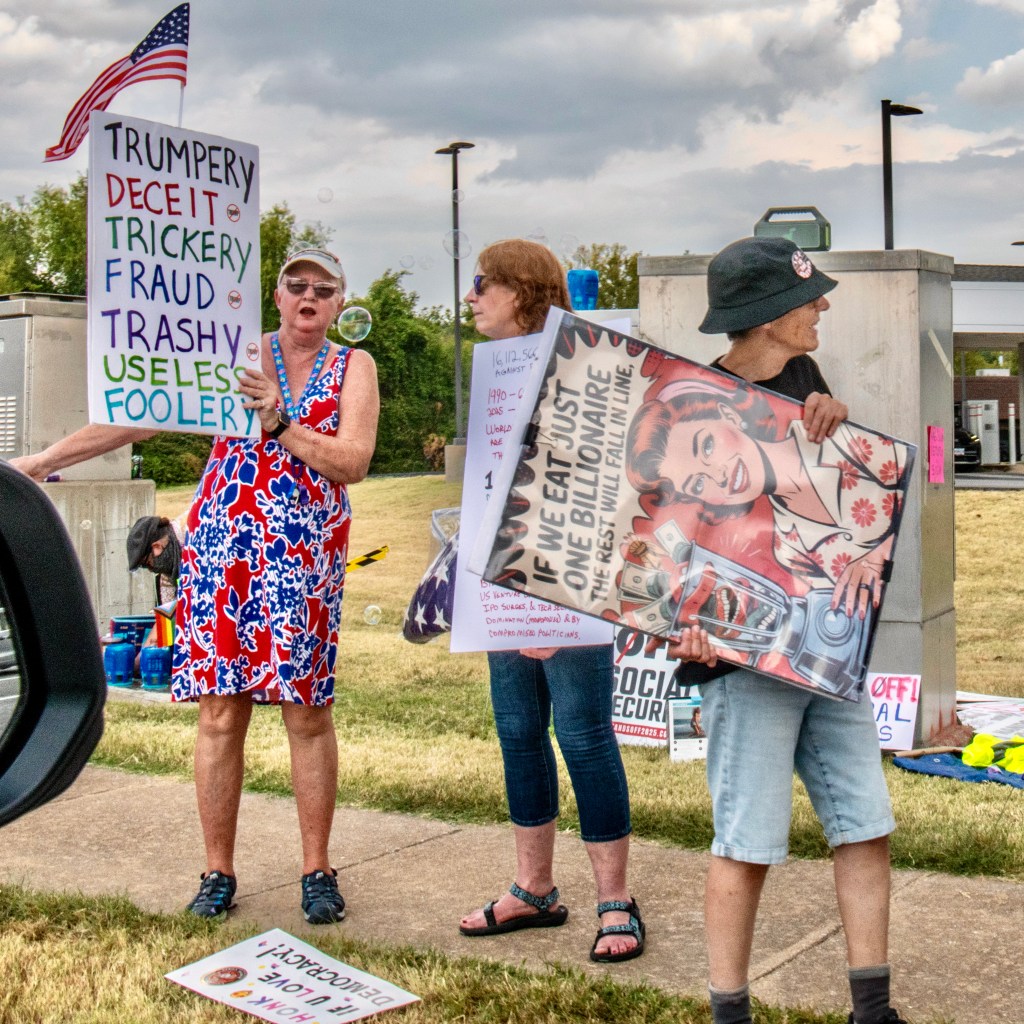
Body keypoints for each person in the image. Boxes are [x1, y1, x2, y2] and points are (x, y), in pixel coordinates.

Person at [11, 247, 379, 926]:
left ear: (336, 303)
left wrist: (278, 421)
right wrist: (44, 460)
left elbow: (351, 461)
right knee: (218, 715)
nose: (308, 297)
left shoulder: (354, 366)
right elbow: (144, 412)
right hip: (222, 552)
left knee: (306, 714)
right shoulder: (232, 352)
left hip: (303, 560)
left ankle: (316, 871)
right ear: (275, 295)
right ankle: (217, 871)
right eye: (296, 285)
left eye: (323, 289)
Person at [667, 237, 905, 1024]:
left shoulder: (803, 378)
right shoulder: (695, 403)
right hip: (743, 667)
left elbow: (830, 502)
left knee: (865, 825)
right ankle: (728, 1011)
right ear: (768, 316)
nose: (823, 307)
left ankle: (872, 1010)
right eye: (810, 299)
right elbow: (665, 544)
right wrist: (683, 627)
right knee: (748, 841)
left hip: (826, 650)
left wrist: (835, 426)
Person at [457, 239, 644, 964]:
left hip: (571, 585)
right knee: (517, 731)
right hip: (503, 585)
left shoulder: (586, 362)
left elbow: (599, 487)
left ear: (521, 291)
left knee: (585, 735)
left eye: (483, 285)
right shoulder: (494, 373)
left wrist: (552, 610)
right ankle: (534, 890)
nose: (473, 298)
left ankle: (614, 900)